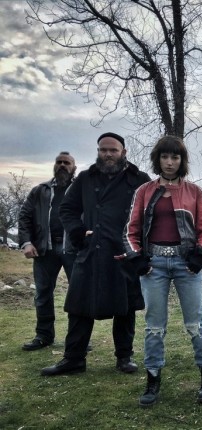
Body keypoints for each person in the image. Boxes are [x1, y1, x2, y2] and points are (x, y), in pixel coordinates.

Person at [41, 132, 151, 376]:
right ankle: (73, 359)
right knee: (80, 307)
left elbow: (151, 214)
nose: (108, 154)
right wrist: (79, 233)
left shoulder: (139, 179)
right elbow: (67, 209)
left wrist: (141, 249)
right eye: (103, 150)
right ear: (98, 151)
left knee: (125, 309)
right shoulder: (85, 178)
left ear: (124, 152)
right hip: (91, 251)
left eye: (113, 150)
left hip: (124, 252)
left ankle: (124, 357)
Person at [123, 135, 202, 406]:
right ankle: (152, 378)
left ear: (182, 160)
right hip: (153, 266)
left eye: (175, 157)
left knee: (195, 323)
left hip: (187, 265)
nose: (169, 162)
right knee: (154, 326)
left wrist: (199, 255)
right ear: (158, 159)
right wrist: (137, 258)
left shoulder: (195, 192)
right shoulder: (144, 191)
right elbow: (130, 230)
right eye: (165, 156)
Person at [18, 152, 77, 351]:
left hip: (74, 249)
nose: (62, 165)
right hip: (45, 249)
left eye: (67, 162)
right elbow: (24, 216)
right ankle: (43, 336)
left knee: (78, 294)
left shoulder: (81, 189)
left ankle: (78, 339)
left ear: (74, 167)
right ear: (54, 165)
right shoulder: (39, 190)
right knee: (42, 293)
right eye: (59, 162)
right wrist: (27, 243)